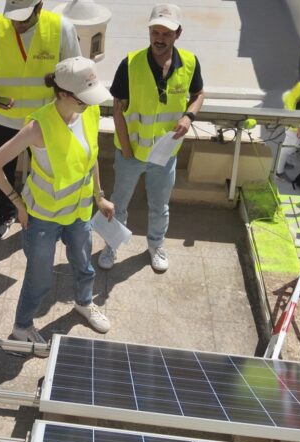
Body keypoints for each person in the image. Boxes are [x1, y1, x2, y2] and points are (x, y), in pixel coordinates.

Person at [0, 56, 114, 350]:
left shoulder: (90, 113)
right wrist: (17, 204)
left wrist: (100, 196)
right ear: (64, 94)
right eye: (83, 98)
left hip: (79, 212)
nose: (89, 103)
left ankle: (83, 303)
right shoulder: (37, 126)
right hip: (42, 217)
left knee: (84, 265)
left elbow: (91, 157)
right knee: (39, 278)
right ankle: (21, 328)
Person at [99, 4, 204, 273]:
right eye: (155, 31)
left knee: (159, 206)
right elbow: (118, 109)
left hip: (165, 154)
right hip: (131, 153)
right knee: (118, 204)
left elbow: (199, 94)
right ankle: (111, 245)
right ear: (149, 31)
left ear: (177, 34)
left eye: (166, 34)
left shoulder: (190, 63)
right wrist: (124, 149)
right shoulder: (130, 63)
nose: (159, 38)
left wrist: (188, 117)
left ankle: (156, 245)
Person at [0, 0, 82, 239]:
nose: (16, 24)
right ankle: (6, 213)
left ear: (39, 7)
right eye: (13, 17)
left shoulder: (62, 28)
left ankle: (44, 217)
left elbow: (75, 72)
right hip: (5, 119)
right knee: (3, 169)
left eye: (23, 19)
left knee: (47, 172)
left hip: (46, 122)